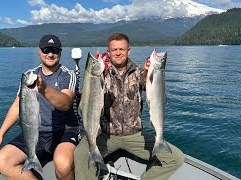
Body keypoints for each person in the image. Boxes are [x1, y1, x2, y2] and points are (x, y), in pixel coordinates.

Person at [74, 32, 184, 180]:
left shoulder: (139, 73)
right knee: (80, 155)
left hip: (135, 136)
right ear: (109, 52)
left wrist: (150, 70)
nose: (118, 53)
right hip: (105, 135)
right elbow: (89, 97)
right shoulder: (101, 74)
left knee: (175, 158)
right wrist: (98, 73)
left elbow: (153, 87)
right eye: (114, 50)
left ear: (128, 51)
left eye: (122, 49)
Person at [0, 34, 79, 180]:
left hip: (65, 130)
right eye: (46, 50)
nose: (50, 54)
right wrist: (0, 134)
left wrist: (42, 86)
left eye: (55, 50)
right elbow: (16, 107)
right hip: (35, 132)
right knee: (2, 161)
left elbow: (65, 103)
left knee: (63, 164)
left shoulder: (68, 75)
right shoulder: (29, 75)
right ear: (39, 51)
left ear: (60, 52)